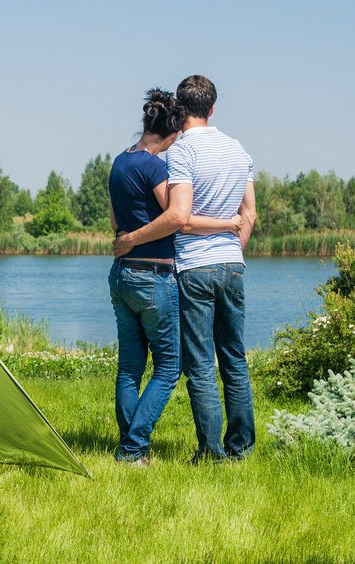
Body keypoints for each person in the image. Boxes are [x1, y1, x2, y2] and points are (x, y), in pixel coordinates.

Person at [114, 75, 257, 461]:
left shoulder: (180, 152)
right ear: (212, 109)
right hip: (233, 263)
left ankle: (210, 453)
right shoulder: (238, 149)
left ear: (181, 109)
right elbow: (250, 213)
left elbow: (182, 217)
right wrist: (231, 249)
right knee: (234, 357)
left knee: (198, 364)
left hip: (194, 267)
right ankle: (240, 448)